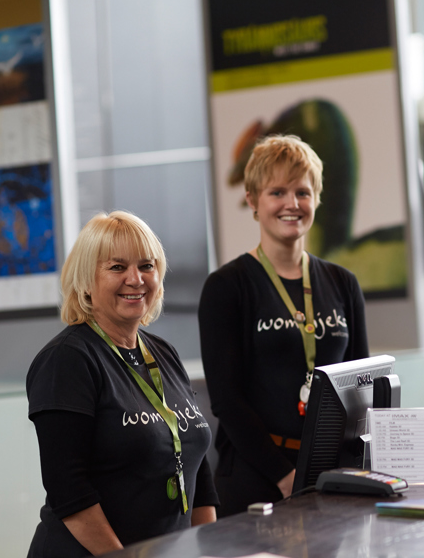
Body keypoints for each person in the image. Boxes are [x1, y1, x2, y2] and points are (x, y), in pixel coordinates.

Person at [26, 211, 218, 557]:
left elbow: (197, 467)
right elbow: (68, 490)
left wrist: (204, 550)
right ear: (86, 281)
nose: (136, 279)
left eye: (147, 266)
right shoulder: (67, 360)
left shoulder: (163, 353)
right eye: (117, 267)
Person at [199, 135, 369, 517]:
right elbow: (227, 399)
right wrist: (285, 476)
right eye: (277, 192)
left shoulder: (343, 283)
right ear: (253, 201)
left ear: (317, 199)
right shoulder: (227, 287)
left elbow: (365, 384)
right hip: (255, 477)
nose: (292, 204)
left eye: (302, 192)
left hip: (333, 474)